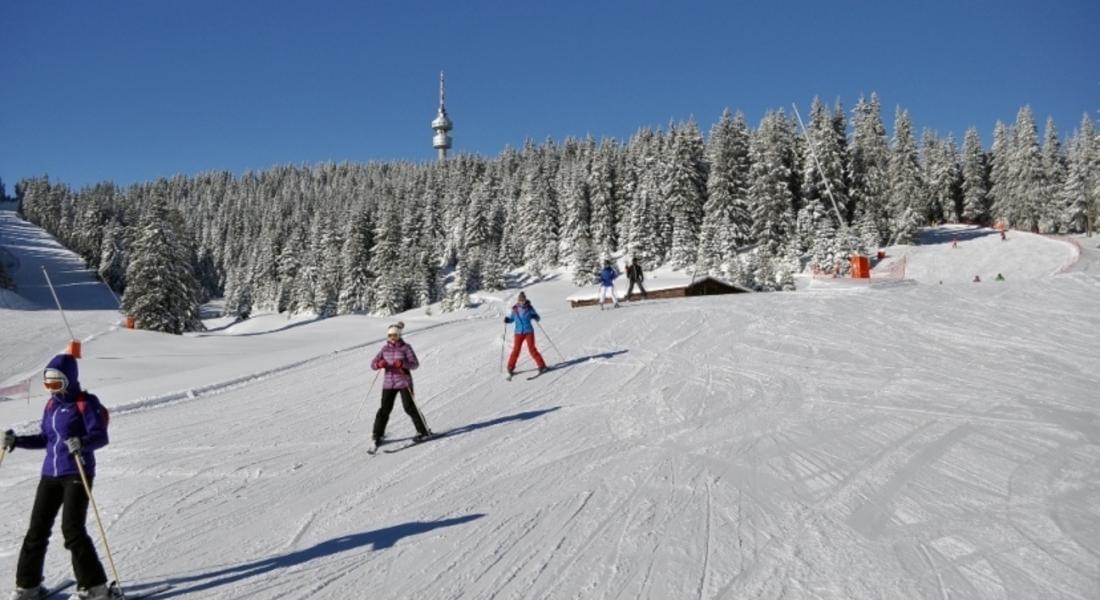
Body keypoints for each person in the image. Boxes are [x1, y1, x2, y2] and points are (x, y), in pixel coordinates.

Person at [4, 355, 120, 600]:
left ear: (70, 381)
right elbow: (47, 439)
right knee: (36, 530)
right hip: (50, 474)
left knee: (72, 530)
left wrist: (82, 442)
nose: (52, 390)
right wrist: (18, 441)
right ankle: (28, 586)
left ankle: (95, 587)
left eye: (56, 384)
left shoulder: (86, 403)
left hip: (78, 471)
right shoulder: (51, 407)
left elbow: (100, 436)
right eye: (48, 385)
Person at [369, 322, 431, 452]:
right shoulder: (384, 349)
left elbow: (415, 364)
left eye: (395, 335)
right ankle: (377, 434)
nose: (392, 337)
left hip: (404, 382)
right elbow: (373, 364)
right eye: (390, 335)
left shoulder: (406, 348)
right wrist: (379, 364)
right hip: (388, 383)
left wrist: (403, 363)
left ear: (399, 335)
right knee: (384, 410)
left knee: (409, 407)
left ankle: (423, 431)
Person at [504, 292, 548, 378]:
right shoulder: (515, 309)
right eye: (520, 300)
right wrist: (507, 320)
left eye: (523, 300)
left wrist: (535, 316)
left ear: (525, 300)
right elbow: (512, 319)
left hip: (529, 332)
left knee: (532, 349)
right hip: (518, 332)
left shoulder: (529, 308)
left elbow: (538, 318)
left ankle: (542, 366)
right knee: (516, 350)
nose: (521, 302)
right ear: (518, 300)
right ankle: (510, 367)